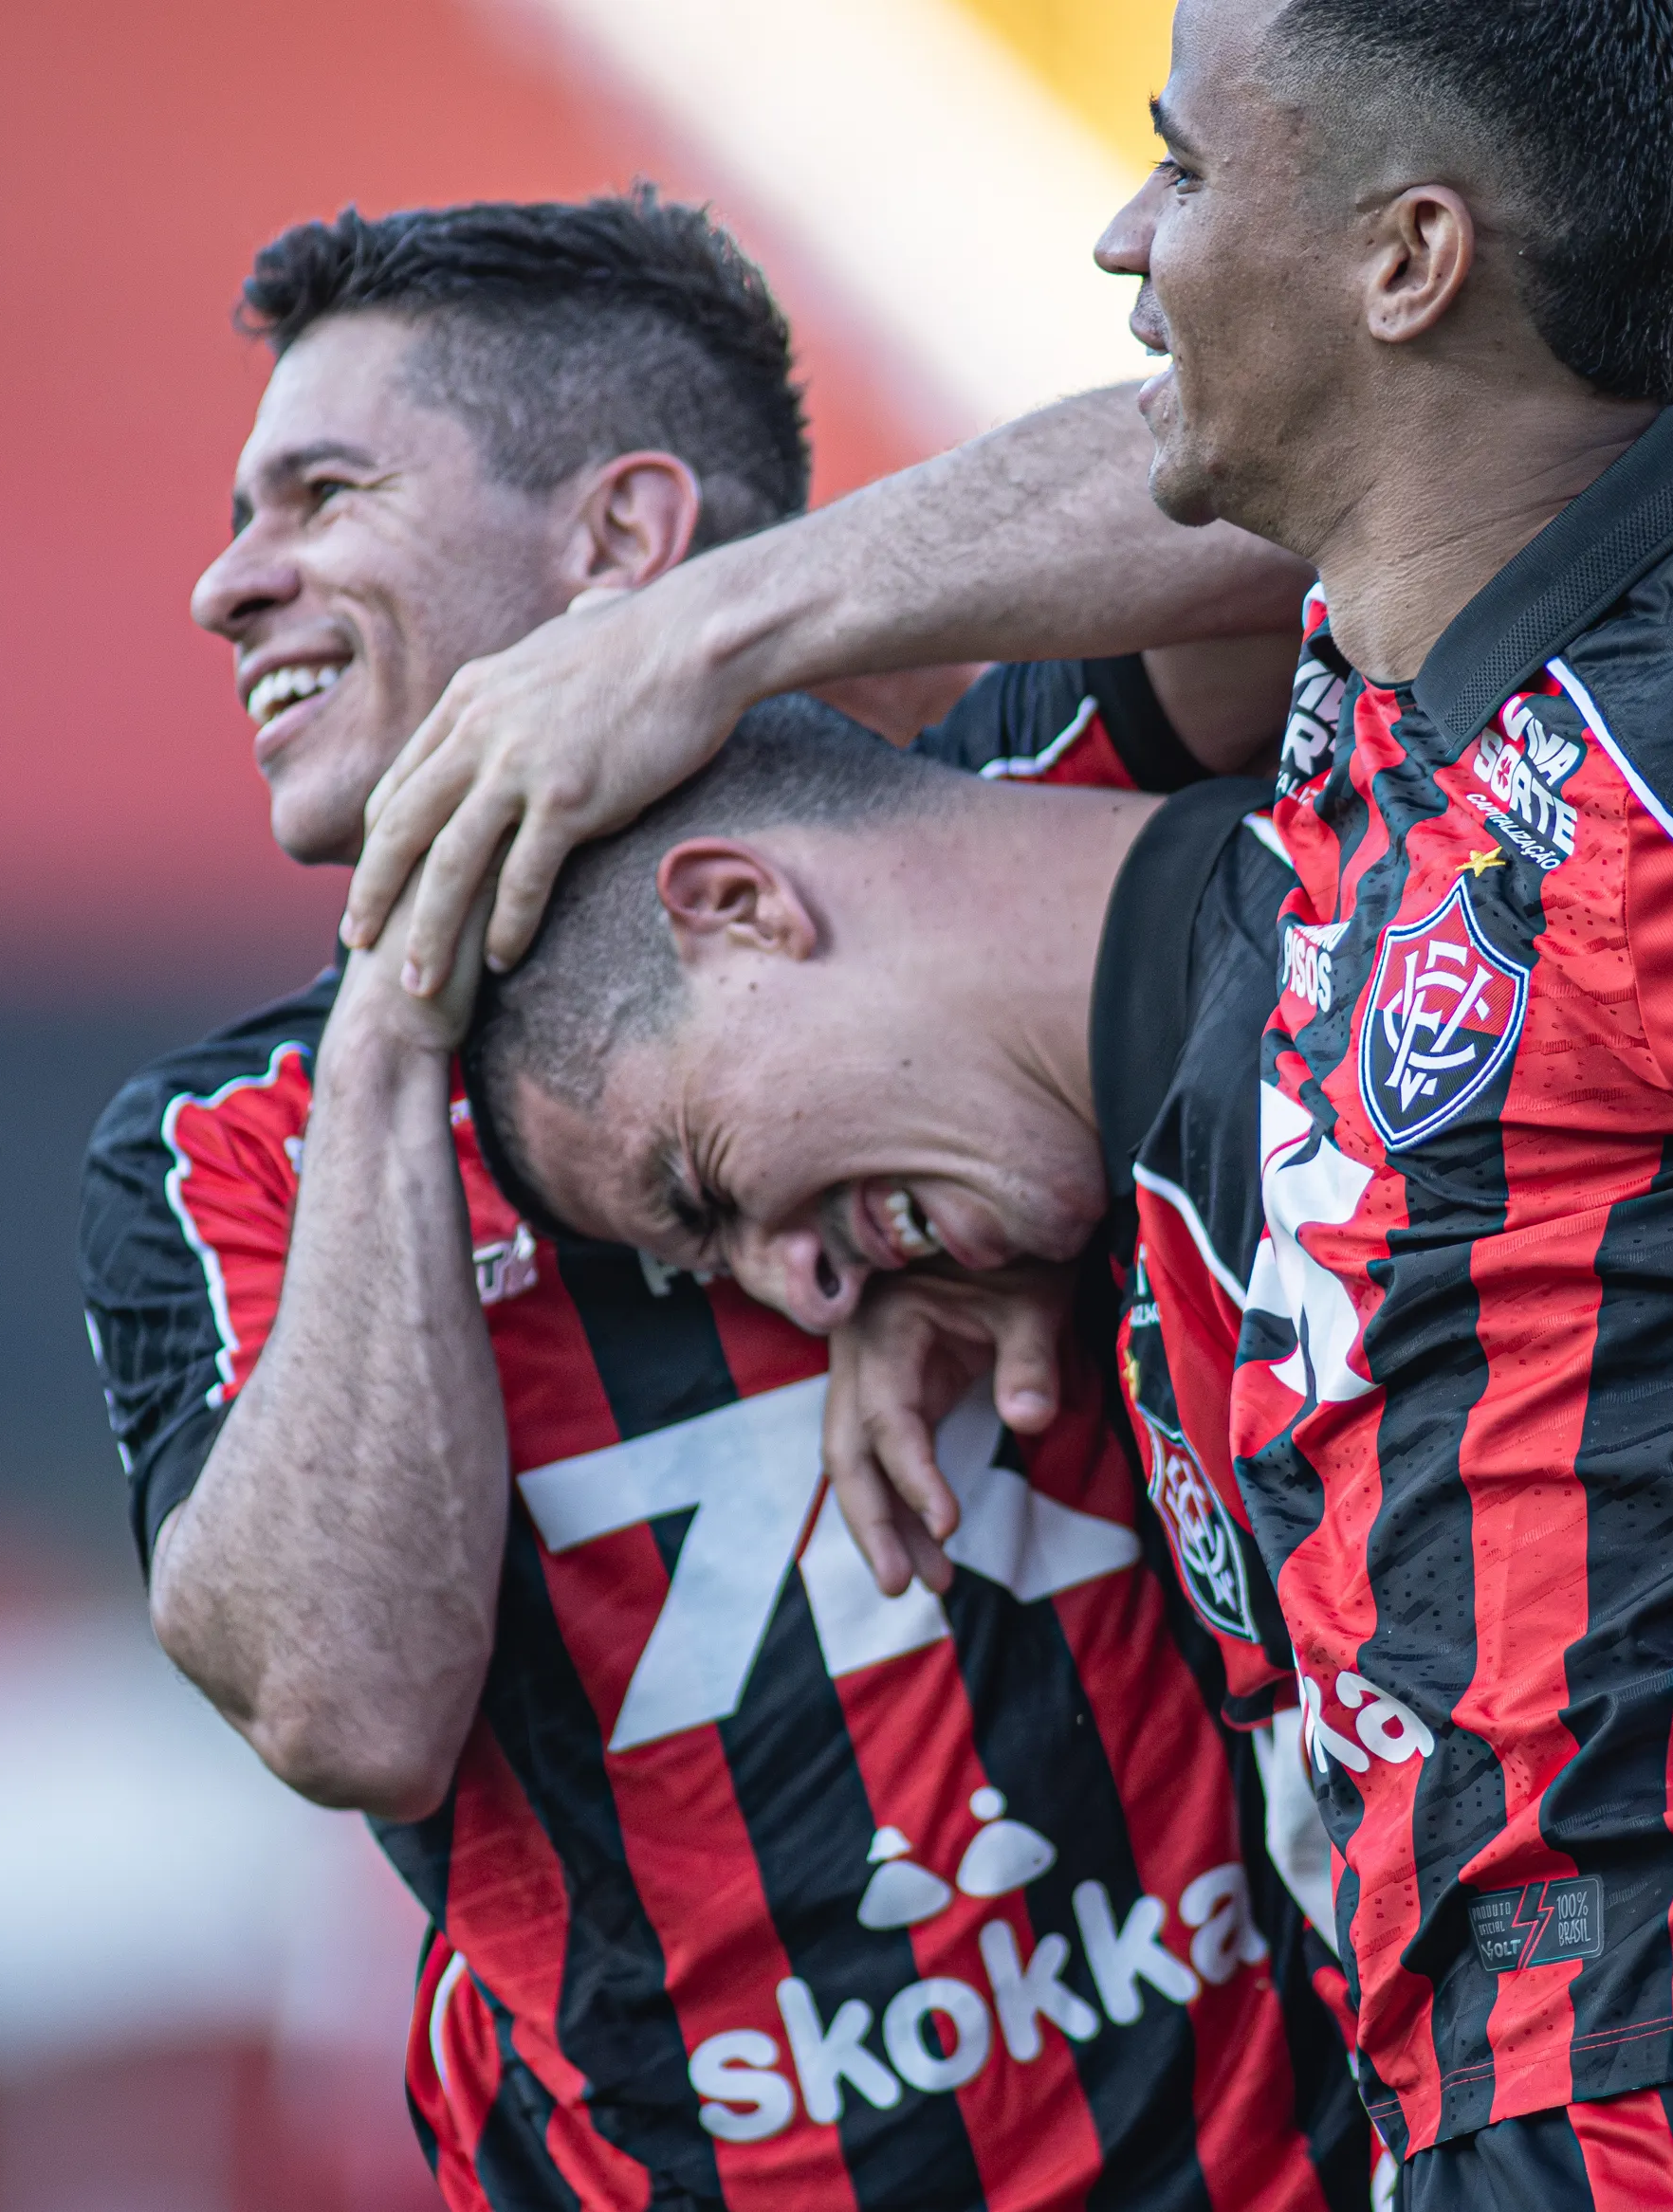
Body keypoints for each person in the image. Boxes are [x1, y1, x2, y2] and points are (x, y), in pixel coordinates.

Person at [346, 8, 1673, 2207]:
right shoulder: (1373, 730)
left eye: (1186, 168)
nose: (1127, 238)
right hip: (1508, 2110)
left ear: (1408, 261)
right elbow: (1164, 511)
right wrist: (966, 1238)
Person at [75, 193, 1371, 2211]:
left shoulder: (978, 827)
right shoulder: (241, 1138)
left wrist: (717, 634)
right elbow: (347, 1702)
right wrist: (399, 1008)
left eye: (323, 496)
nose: (225, 586)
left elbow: (1336, 474)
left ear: (620, 534)